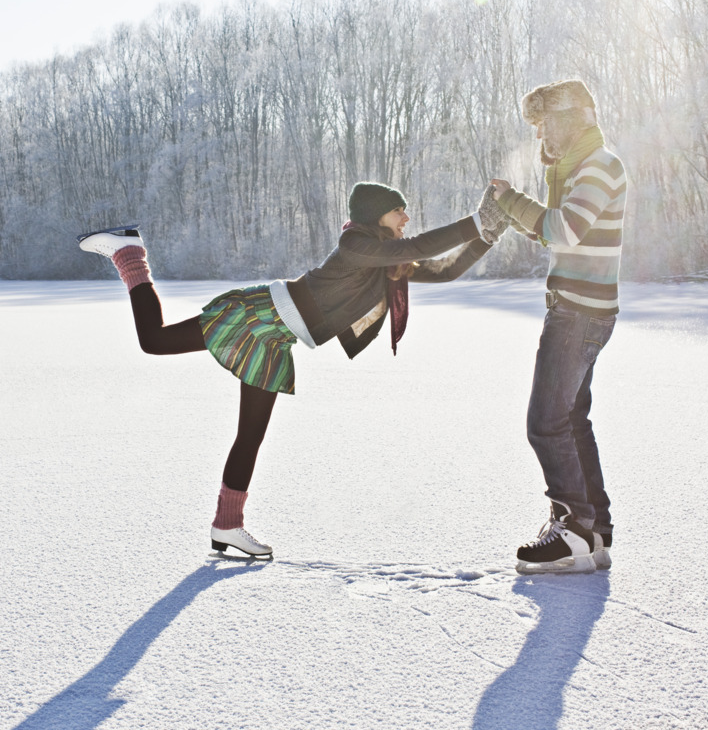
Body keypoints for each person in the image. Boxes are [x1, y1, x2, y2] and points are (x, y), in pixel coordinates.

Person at [78, 182, 507, 558]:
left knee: (251, 434)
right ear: (377, 215)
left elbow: (445, 269)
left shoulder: (385, 263)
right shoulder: (356, 246)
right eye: (399, 210)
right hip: (260, 315)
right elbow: (415, 248)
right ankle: (129, 253)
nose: (407, 217)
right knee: (154, 341)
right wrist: (475, 219)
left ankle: (227, 524)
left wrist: (487, 234)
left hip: (276, 338)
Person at [491, 79, 627, 574]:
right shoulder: (580, 167)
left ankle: (571, 532)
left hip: (578, 313)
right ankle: (593, 534)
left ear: (569, 121)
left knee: (545, 423)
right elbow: (561, 234)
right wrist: (518, 208)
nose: (541, 134)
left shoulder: (599, 166)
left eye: (546, 123)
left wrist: (512, 203)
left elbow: (564, 228)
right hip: (580, 308)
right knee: (570, 421)